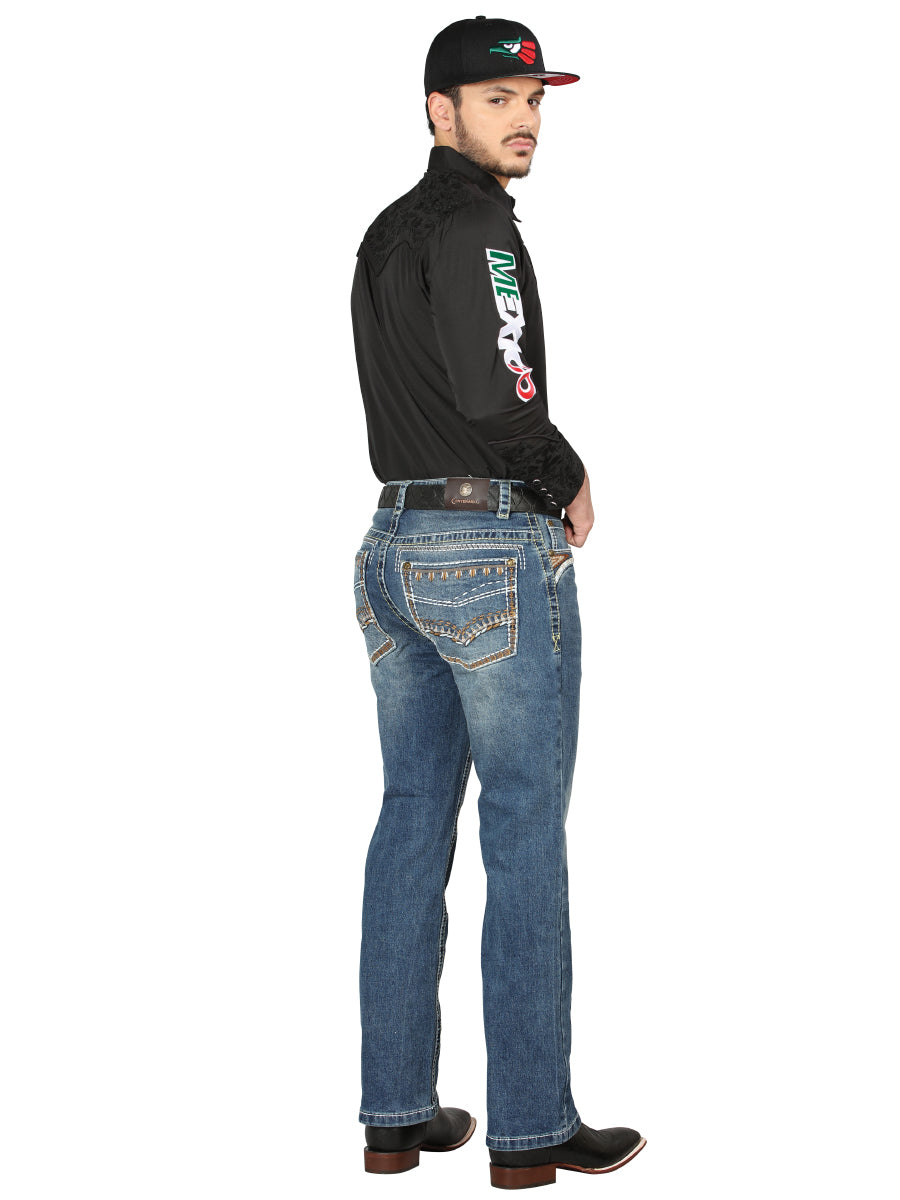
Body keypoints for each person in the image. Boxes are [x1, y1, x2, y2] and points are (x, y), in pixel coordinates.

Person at [350, 16, 646, 1189]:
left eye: (533, 100)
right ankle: (529, 1130)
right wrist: (565, 473)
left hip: (391, 545)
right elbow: (499, 392)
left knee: (410, 821)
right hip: (487, 548)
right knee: (522, 830)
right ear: (440, 111)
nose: (524, 119)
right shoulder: (481, 228)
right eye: (496, 98)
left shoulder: (386, 230)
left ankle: (394, 1115)